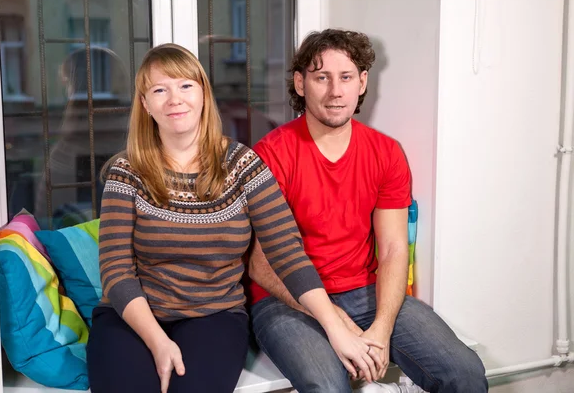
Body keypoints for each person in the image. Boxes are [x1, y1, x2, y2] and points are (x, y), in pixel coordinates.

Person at [85, 43, 383, 393]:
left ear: (203, 94)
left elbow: (287, 253)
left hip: (215, 317)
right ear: (145, 104)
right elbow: (116, 270)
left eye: (185, 85)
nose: (174, 99)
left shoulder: (243, 165)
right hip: (133, 318)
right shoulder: (126, 172)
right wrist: (157, 342)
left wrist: (335, 327)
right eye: (159, 89)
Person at [247, 29, 489, 393]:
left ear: (362, 82)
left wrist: (381, 328)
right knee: (329, 386)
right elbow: (260, 264)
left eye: (345, 77)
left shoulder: (386, 152)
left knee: (464, 372)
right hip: (286, 303)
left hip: (366, 291)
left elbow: (393, 249)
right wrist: (335, 321)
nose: (335, 91)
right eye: (321, 78)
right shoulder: (272, 155)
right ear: (300, 83)